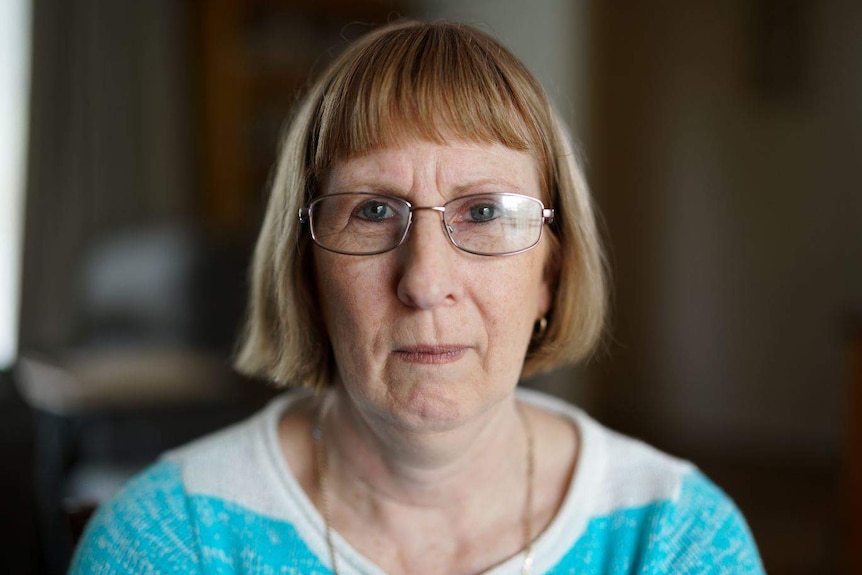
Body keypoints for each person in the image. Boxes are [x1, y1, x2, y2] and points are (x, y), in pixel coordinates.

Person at [69, 21, 765, 575]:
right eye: (373, 210)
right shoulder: (166, 541)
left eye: (485, 212)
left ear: (551, 272)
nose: (426, 280)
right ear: (307, 267)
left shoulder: (676, 537)